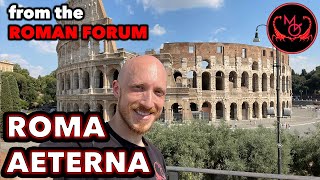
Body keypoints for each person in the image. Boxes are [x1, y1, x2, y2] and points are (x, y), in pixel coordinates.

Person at [40, 55, 168, 180]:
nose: (148, 103)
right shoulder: (77, 146)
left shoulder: (157, 156)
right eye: (138, 88)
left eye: (158, 92)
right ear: (117, 89)